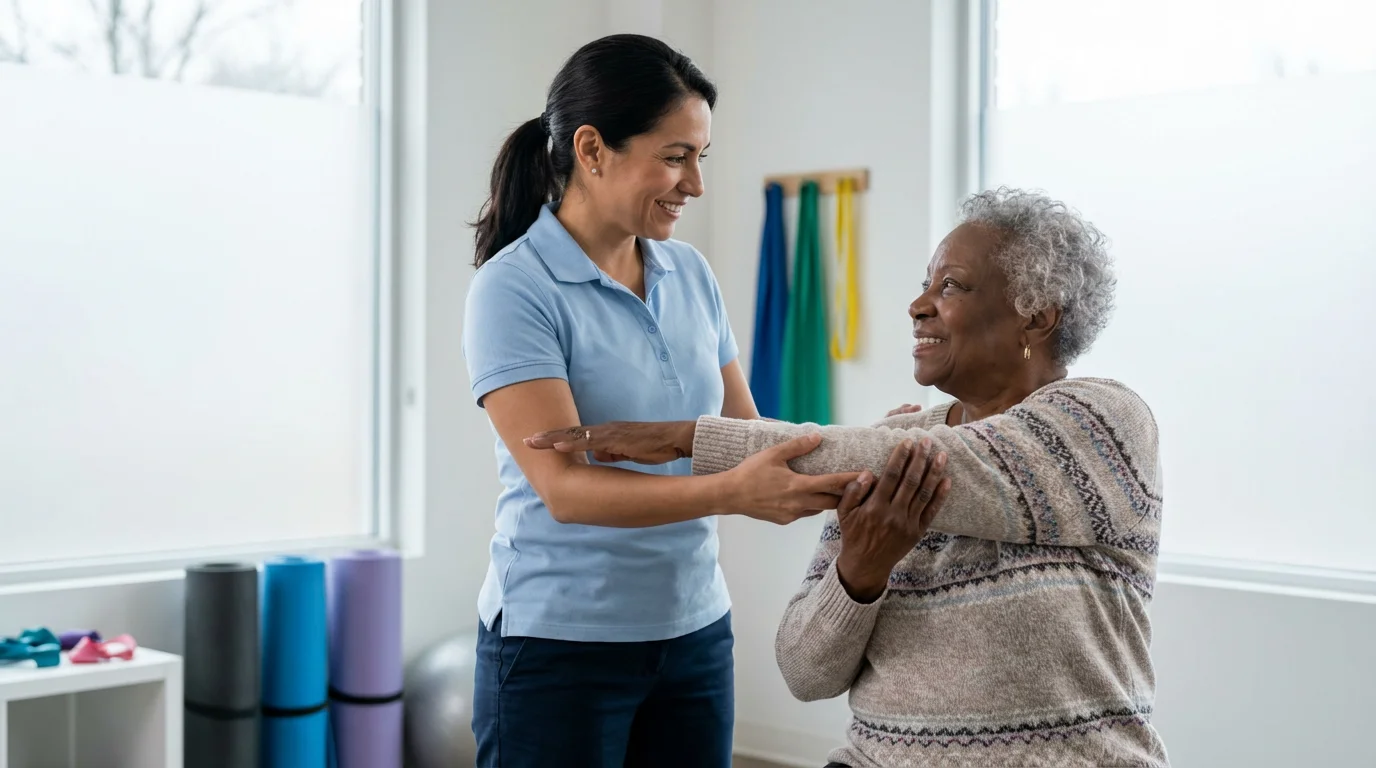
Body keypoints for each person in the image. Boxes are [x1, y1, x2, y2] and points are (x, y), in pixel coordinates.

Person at [527, 188, 1171, 767]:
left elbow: (960, 464)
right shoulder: (884, 448)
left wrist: (685, 435)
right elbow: (805, 672)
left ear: (1037, 315)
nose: (918, 305)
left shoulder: (1105, 423)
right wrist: (859, 573)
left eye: (952, 286)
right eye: (926, 284)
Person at [462, 34, 919, 768]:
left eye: (700, 157)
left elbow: (746, 429)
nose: (695, 184)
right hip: (559, 645)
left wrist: (875, 452)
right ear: (591, 149)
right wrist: (732, 493)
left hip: (695, 633)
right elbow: (565, 488)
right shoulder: (515, 288)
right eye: (675, 157)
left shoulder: (689, 273)